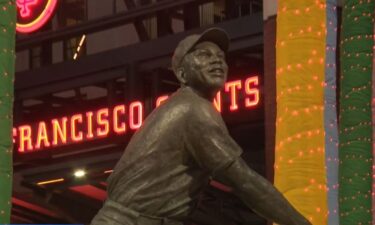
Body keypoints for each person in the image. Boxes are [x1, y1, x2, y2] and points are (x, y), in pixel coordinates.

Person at [90, 28, 312, 225]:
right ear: (182, 74)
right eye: (204, 55)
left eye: (220, 57)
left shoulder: (185, 105)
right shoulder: (193, 109)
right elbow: (245, 182)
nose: (216, 61)